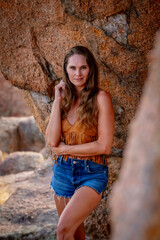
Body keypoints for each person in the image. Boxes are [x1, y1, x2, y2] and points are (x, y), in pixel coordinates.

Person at [45, 46, 114, 240]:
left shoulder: (101, 98)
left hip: (92, 172)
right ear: (66, 70)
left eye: (83, 67)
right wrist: (57, 101)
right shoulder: (64, 99)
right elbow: (52, 140)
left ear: (90, 69)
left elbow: (104, 146)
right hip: (63, 171)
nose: (78, 73)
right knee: (75, 235)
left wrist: (66, 148)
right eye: (73, 68)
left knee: (63, 230)